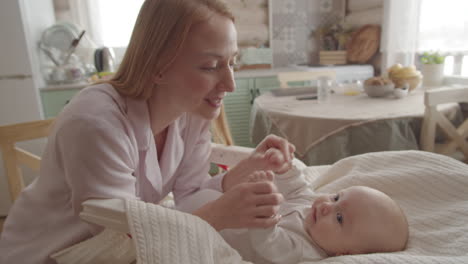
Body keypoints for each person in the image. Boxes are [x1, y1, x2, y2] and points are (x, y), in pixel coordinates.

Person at [0, 1, 295, 263]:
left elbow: (189, 195)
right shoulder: (96, 123)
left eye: (232, 62)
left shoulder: (191, 114)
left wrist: (242, 173)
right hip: (50, 253)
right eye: (210, 66)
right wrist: (219, 213)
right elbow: (119, 241)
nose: (230, 84)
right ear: (157, 66)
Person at [183, 150, 410, 263]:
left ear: (345, 253)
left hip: (208, 232)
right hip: (207, 204)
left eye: (339, 218)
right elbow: (298, 188)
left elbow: (268, 242)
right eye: (336, 198)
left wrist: (265, 206)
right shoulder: (311, 208)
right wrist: (284, 168)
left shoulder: (304, 250)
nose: (326, 207)